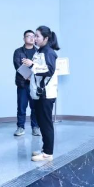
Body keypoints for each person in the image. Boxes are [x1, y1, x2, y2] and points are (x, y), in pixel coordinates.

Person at [23, 26, 59, 162]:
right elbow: (37, 71)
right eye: (34, 36)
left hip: (46, 95)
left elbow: (49, 70)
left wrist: (32, 65)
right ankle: (45, 149)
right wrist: (29, 70)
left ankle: (48, 153)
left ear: (46, 38)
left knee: (46, 124)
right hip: (38, 94)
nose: (34, 38)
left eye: (37, 36)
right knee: (42, 123)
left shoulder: (49, 52)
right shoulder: (39, 51)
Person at [13, 30, 41, 137]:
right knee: (21, 106)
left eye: (33, 36)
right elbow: (18, 65)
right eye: (28, 36)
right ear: (24, 38)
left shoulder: (39, 51)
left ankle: (35, 127)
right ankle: (20, 127)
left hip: (35, 85)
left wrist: (32, 78)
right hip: (23, 84)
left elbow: (40, 66)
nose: (31, 38)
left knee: (35, 107)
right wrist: (29, 77)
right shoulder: (18, 52)